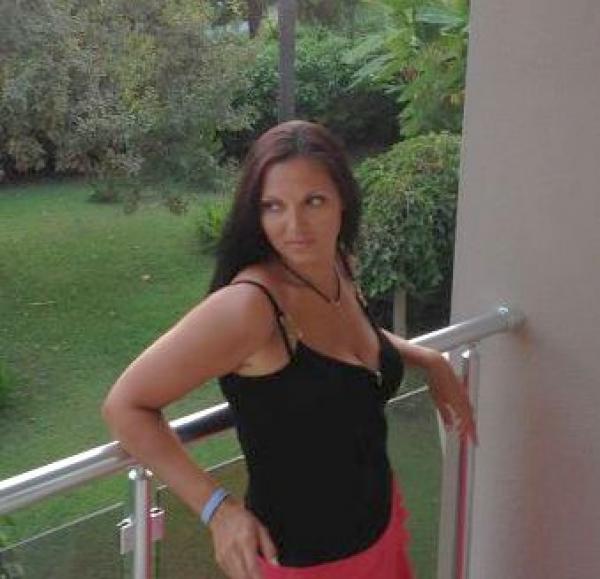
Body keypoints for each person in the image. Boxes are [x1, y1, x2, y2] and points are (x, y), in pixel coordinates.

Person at [102, 120, 477, 579]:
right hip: (304, 567)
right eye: (273, 206)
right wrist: (216, 508)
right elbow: (125, 406)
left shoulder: (335, 265)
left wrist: (427, 359)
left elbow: (349, 341)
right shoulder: (250, 308)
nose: (295, 227)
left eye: (313, 201)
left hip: (383, 533)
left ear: (343, 201)